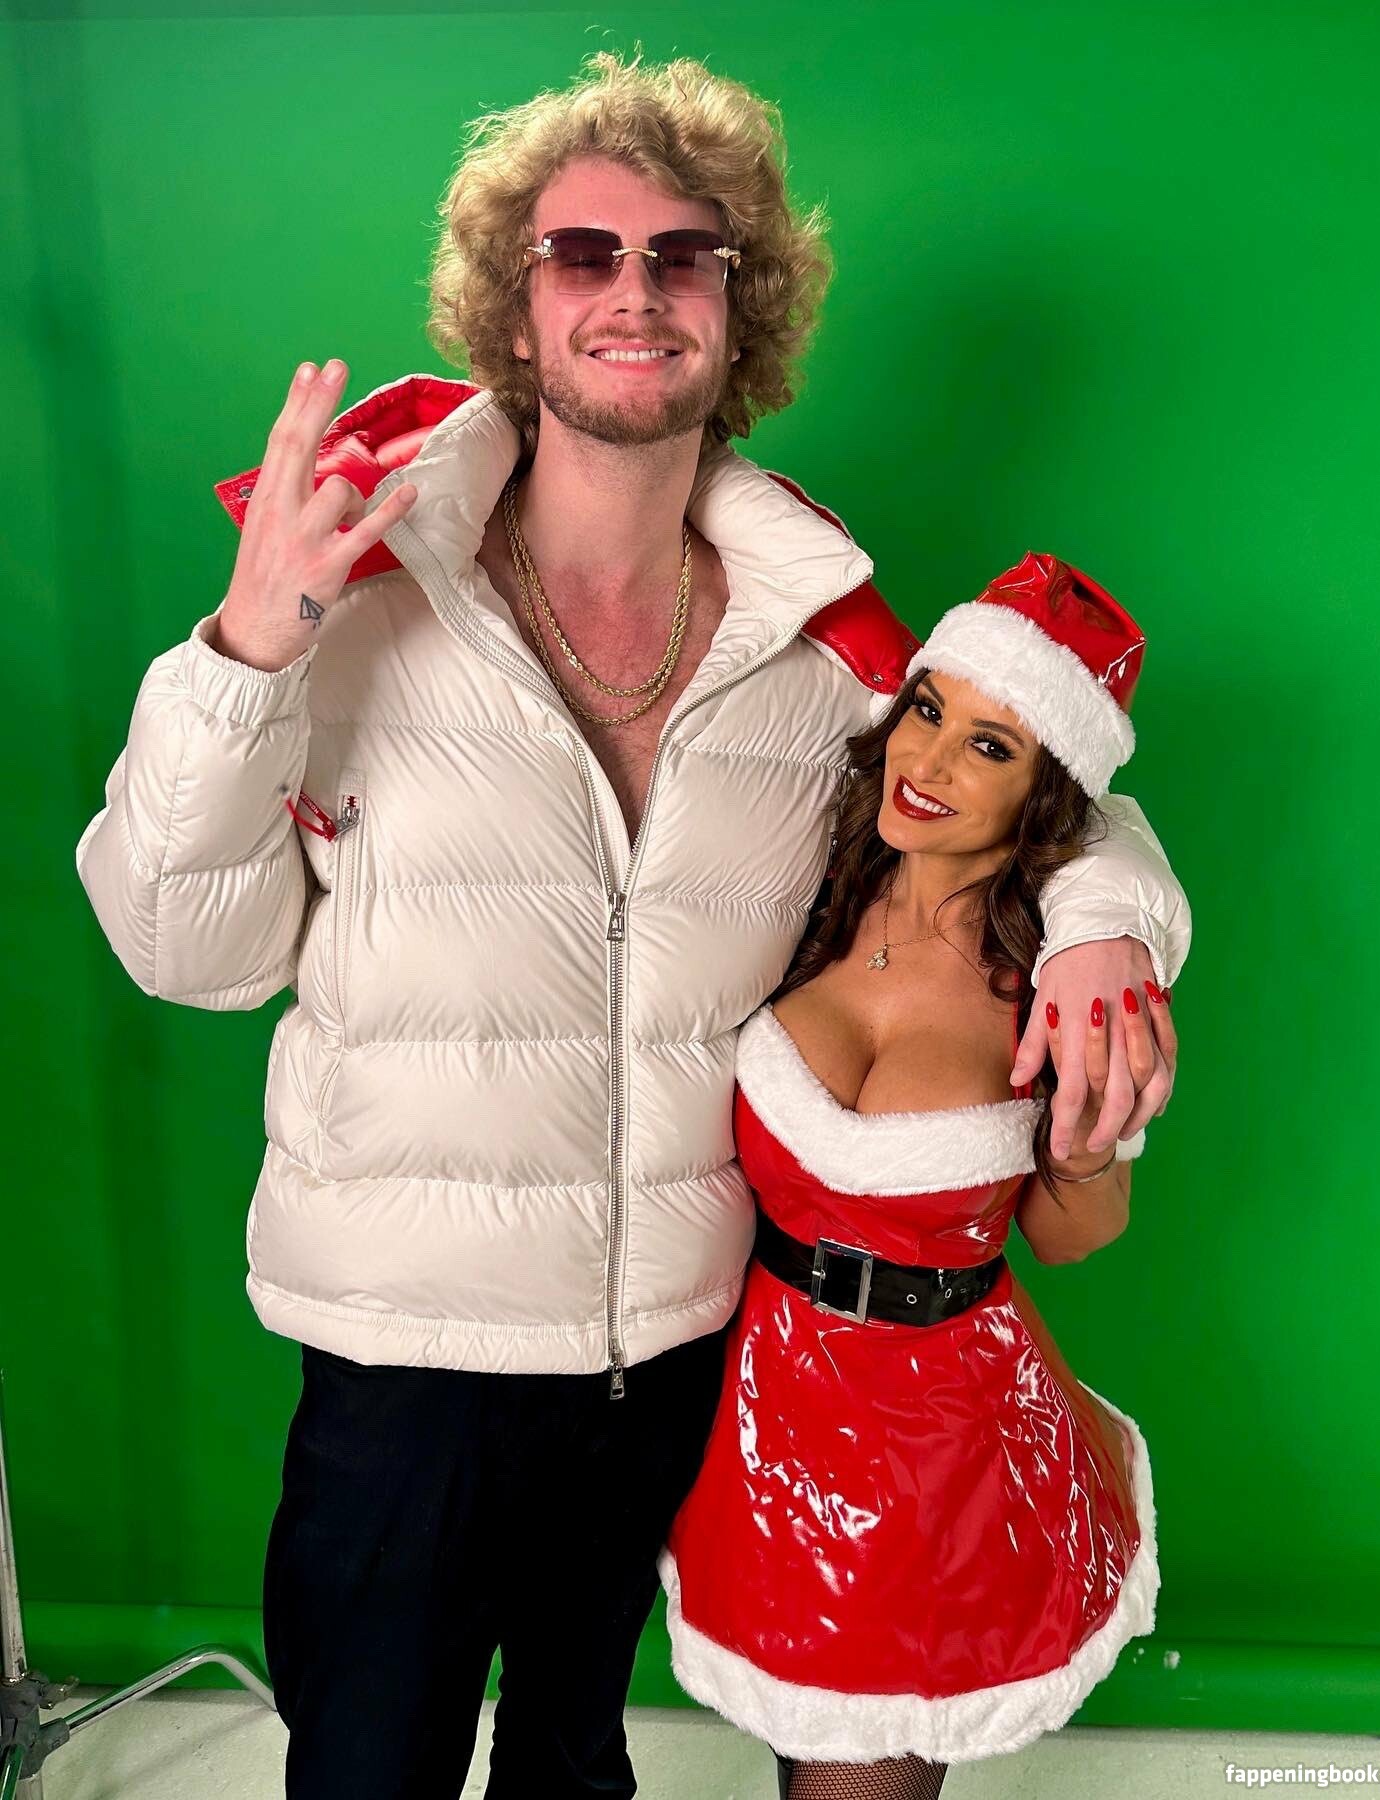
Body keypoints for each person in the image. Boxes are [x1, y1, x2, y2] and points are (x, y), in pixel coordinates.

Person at [73, 49, 1188, 1800]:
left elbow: (1026, 777)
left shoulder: (819, 647)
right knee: (367, 1774)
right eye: (583, 253)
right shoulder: (356, 594)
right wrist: (244, 656)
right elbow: (180, 947)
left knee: (576, 1766)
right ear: (514, 313)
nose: (636, 290)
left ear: (741, 318)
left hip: (670, 1346)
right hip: (409, 1349)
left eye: (687, 257)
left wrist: (1107, 925)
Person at [660, 553, 1166, 1800]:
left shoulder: (1067, 974)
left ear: (1047, 792)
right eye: (927, 711)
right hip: (758, 1403)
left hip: (945, 1448)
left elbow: (1073, 1235)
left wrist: (1085, 1144)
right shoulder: (804, 880)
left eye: (990, 748)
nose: (928, 763)